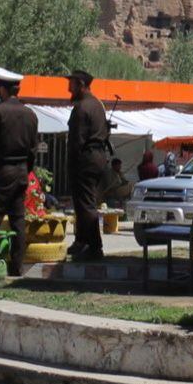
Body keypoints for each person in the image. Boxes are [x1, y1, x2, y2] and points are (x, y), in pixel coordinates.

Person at [0, 67, 39, 276]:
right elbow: (33, 150)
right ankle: (17, 266)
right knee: (18, 220)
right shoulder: (30, 114)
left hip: (2, 171)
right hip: (21, 171)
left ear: (2, 89)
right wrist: (26, 170)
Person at [65, 68, 114, 262]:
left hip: (85, 159)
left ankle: (95, 246)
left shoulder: (82, 108)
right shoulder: (97, 105)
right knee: (83, 202)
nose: (69, 88)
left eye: (72, 84)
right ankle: (81, 241)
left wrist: (71, 163)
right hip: (97, 157)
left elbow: (77, 140)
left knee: (85, 204)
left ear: (81, 85)